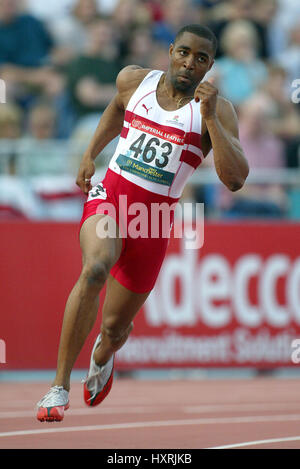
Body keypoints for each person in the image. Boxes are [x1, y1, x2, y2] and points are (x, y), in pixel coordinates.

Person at [36, 23, 249, 422]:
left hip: (153, 221)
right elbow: (116, 108)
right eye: (184, 52)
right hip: (111, 198)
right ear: (171, 51)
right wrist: (90, 154)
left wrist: (211, 122)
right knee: (95, 268)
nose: (189, 62)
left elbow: (235, 179)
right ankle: (58, 386)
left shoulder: (217, 110)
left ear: (210, 66)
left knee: (116, 330)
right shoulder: (134, 80)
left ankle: (103, 354)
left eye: (200, 58)